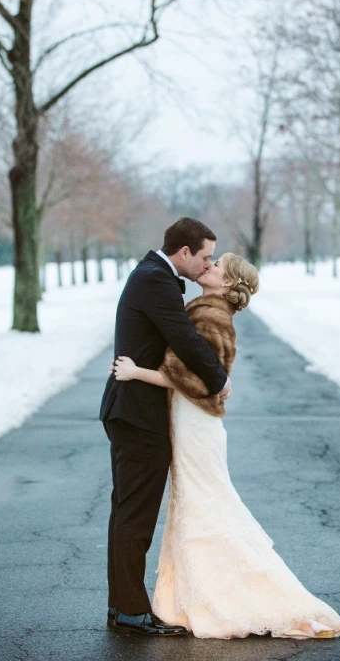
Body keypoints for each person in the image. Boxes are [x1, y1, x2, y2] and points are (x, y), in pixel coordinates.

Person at [114, 252, 340, 640]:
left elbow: (197, 381)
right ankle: (201, 592)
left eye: (216, 265)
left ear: (227, 283)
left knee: (207, 504)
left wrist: (137, 372)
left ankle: (240, 598)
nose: (208, 266)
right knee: (199, 503)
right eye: (209, 260)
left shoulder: (210, 315)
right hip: (191, 422)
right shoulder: (209, 308)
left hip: (195, 422)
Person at [99, 217, 232, 637]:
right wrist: (219, 379)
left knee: (127, 512)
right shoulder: (156, 279)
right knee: (134, 516)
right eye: (206, 257)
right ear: (185, 253)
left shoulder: (154, 275)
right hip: (137, 414)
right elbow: (186, 339)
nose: (207, 265)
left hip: (133, 410)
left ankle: (124, 606)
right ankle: (132, 611)